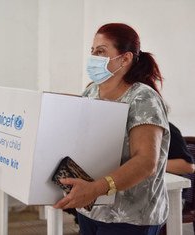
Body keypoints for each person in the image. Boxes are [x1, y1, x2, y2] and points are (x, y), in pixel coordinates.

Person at [53, 23, 170, 235]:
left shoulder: (142, 98)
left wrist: (96, 188)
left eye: (101, 51)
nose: (93, 58)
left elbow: (145, 162)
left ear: (125, 59)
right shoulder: (91, 92)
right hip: (92, 209)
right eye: (92, 51)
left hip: (131, 217)